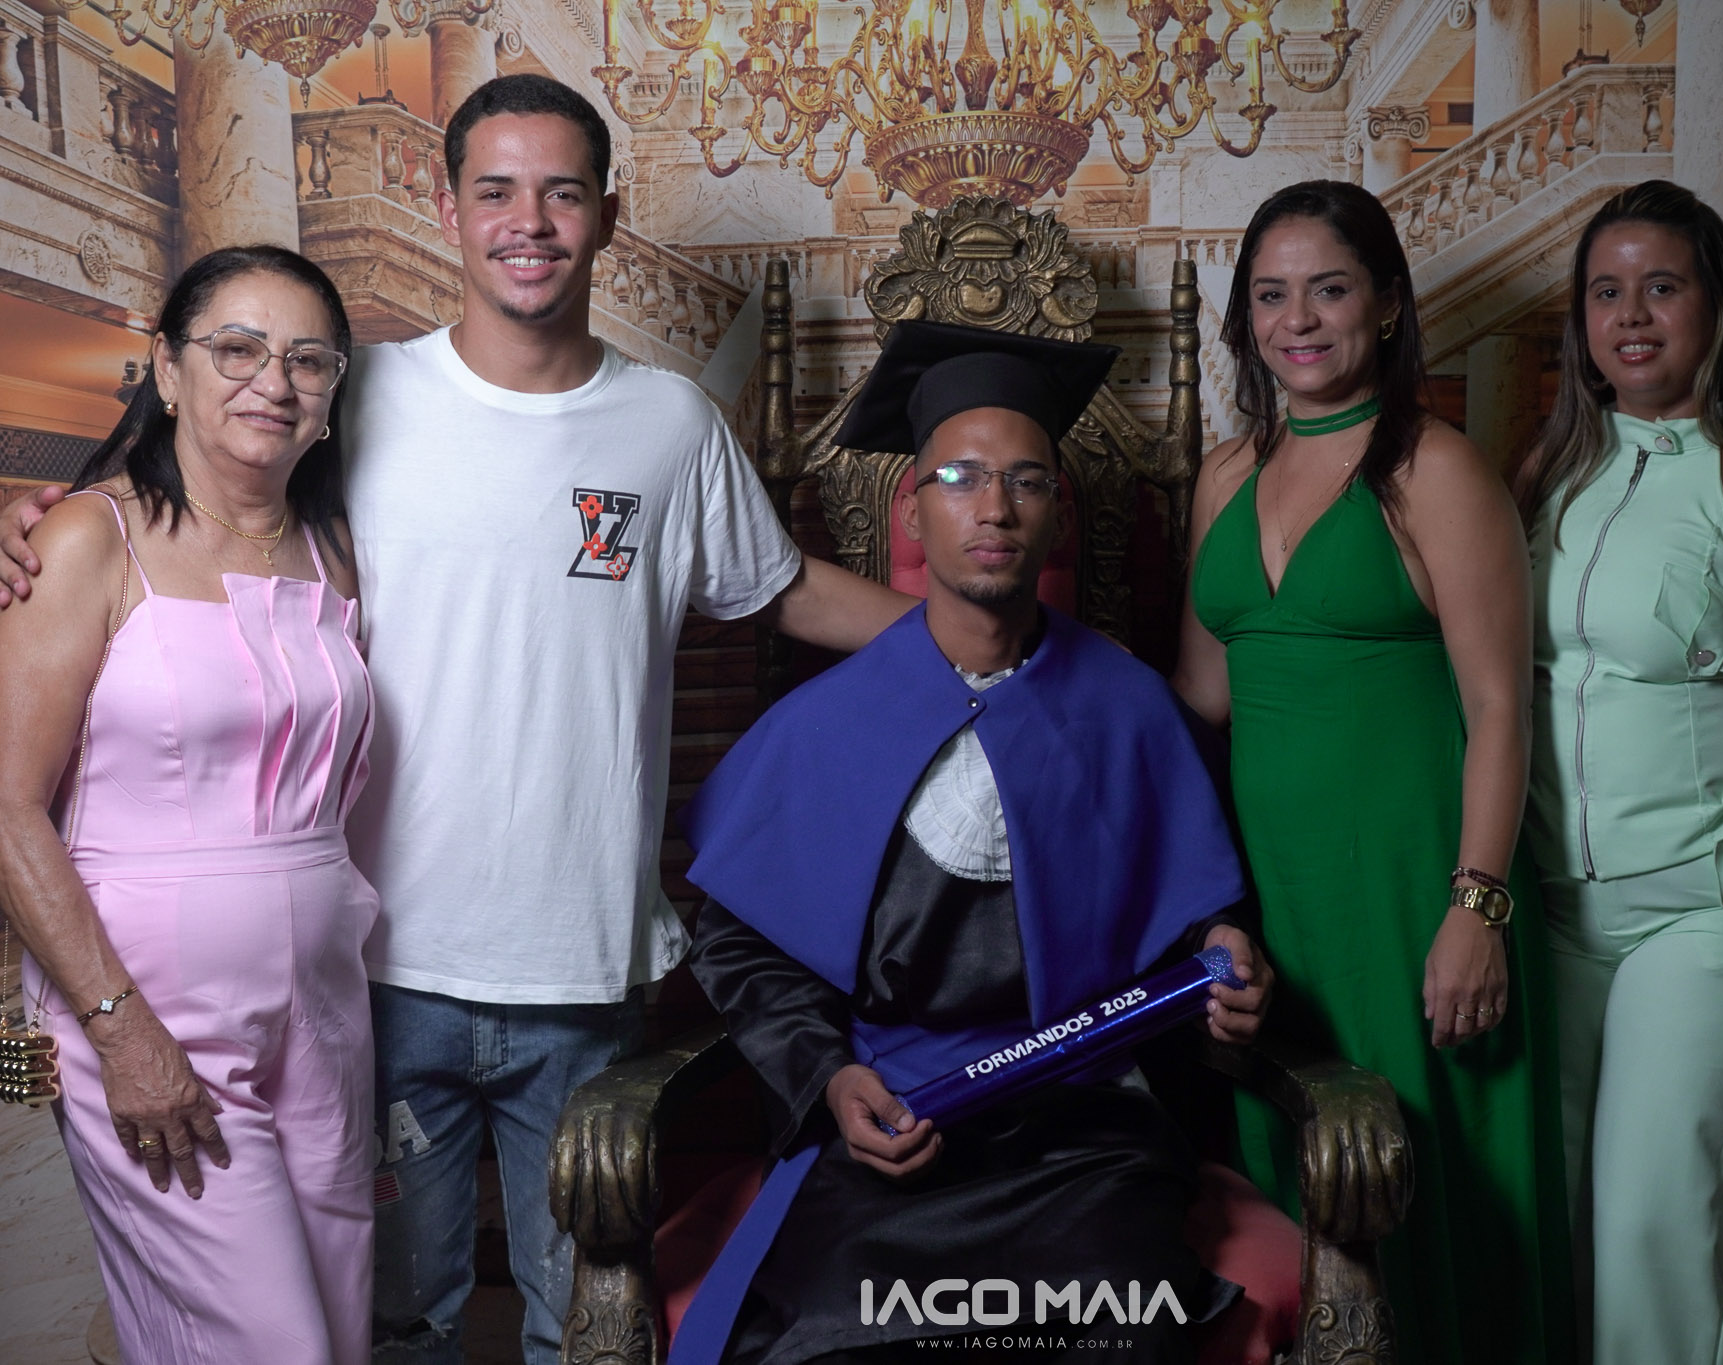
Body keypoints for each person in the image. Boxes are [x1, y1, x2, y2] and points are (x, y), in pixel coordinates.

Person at [0, 74, 909, 1365]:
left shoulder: (669, 424)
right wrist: (32, 522)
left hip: (580, 963)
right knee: (390, 1324)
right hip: (378, 962)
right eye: (495, 190)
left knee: (579, 1327)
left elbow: (785, 588)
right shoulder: (353, 395)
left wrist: (984, 639)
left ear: (607, 214)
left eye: (561, 192)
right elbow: (187, 490)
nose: (527, 221)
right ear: (446, 211)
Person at [675, 319, 1274, 1364]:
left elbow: (1193, 917)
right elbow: (743, 941)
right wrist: (830, 1078)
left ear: (1057, 514)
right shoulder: (826, 723)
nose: (993, 507)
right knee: (833, 1336)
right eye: (959, 477)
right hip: (898, 1120)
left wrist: (1223, 956)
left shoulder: (1130, 708)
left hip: (1085, 1137)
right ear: (913, 509)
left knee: (1122, 1326)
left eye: (1026, 480)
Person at [1174, 180, 1574, 1363]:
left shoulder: (1434, 468)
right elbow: (1199, 696)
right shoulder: (1222, 474)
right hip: (1270, 893)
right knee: (1292, 1174)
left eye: (1328, 289)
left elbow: (1497, 707)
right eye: (1269, 295)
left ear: (1387, 304)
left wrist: (1475, 908)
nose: (1296, 320)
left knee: (1429, 1186)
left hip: (1410, 885)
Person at [0, 246, 375, 1363]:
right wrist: (119, 1032)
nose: (274, 381)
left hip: (325, 1012)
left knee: (341, 1332)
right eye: (237, 348)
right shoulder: (85, 538)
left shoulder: (332, 549)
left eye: (307, 359)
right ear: (166, 369)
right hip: (149, 1010)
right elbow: (6, 806)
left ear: (332, 392)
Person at [1515, 180, 1723, 1365]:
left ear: (1714, 307)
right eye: (1603, 292)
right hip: (1554, 914)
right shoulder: (1544, 476)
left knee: (1648, 1235)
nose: (1629, 316)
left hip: (1704, 916)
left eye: (1659, 287)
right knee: (1553, 1225)